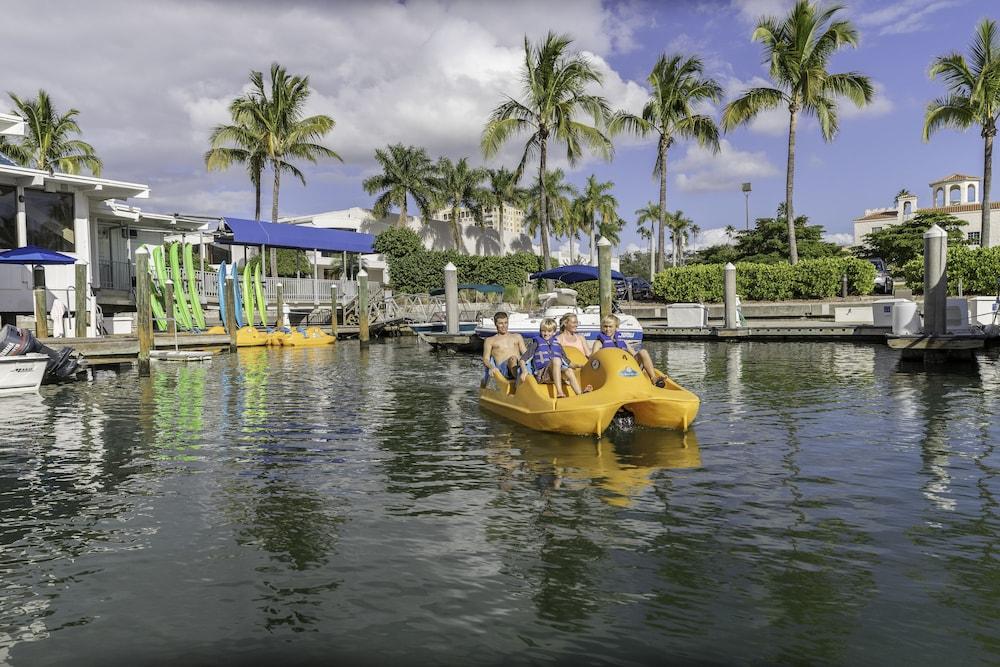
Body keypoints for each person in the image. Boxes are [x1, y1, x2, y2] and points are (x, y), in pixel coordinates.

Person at [520, 318, 591, 398]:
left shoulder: (557, 345)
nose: (546, 333)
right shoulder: (536, 344)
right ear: (540, 331)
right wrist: (524, 371)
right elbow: (522, 360)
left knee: (569, 370)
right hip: (542, 375)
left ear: (554, 332)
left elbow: (568, 363)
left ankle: (580, 394)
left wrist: (579, 365)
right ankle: (560, 392)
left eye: (549, 331)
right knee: (556, 359)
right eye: (543, 331)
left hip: (555, 375)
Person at [593, 315, 665, 387]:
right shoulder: (598, 343)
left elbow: (634, 355)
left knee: (643, 352)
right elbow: (593, 360)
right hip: (611, 370)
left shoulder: (623, 341)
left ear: (616, 327)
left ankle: (653, 379)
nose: (607, 329)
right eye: (605, 326)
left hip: (626, 368)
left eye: (610, 326)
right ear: (602, 327)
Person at [482, 311, 527, 384]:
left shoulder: (517, 337)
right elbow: (485, 359)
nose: (504, 326)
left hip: (519, 366)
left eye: (506, 323)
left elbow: (526, 354)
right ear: (495, 324)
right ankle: (520, 383)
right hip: (503, 370)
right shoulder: (490, 340)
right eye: (501, 323)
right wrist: (491, 367)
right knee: (513, 358)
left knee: (517, 360)